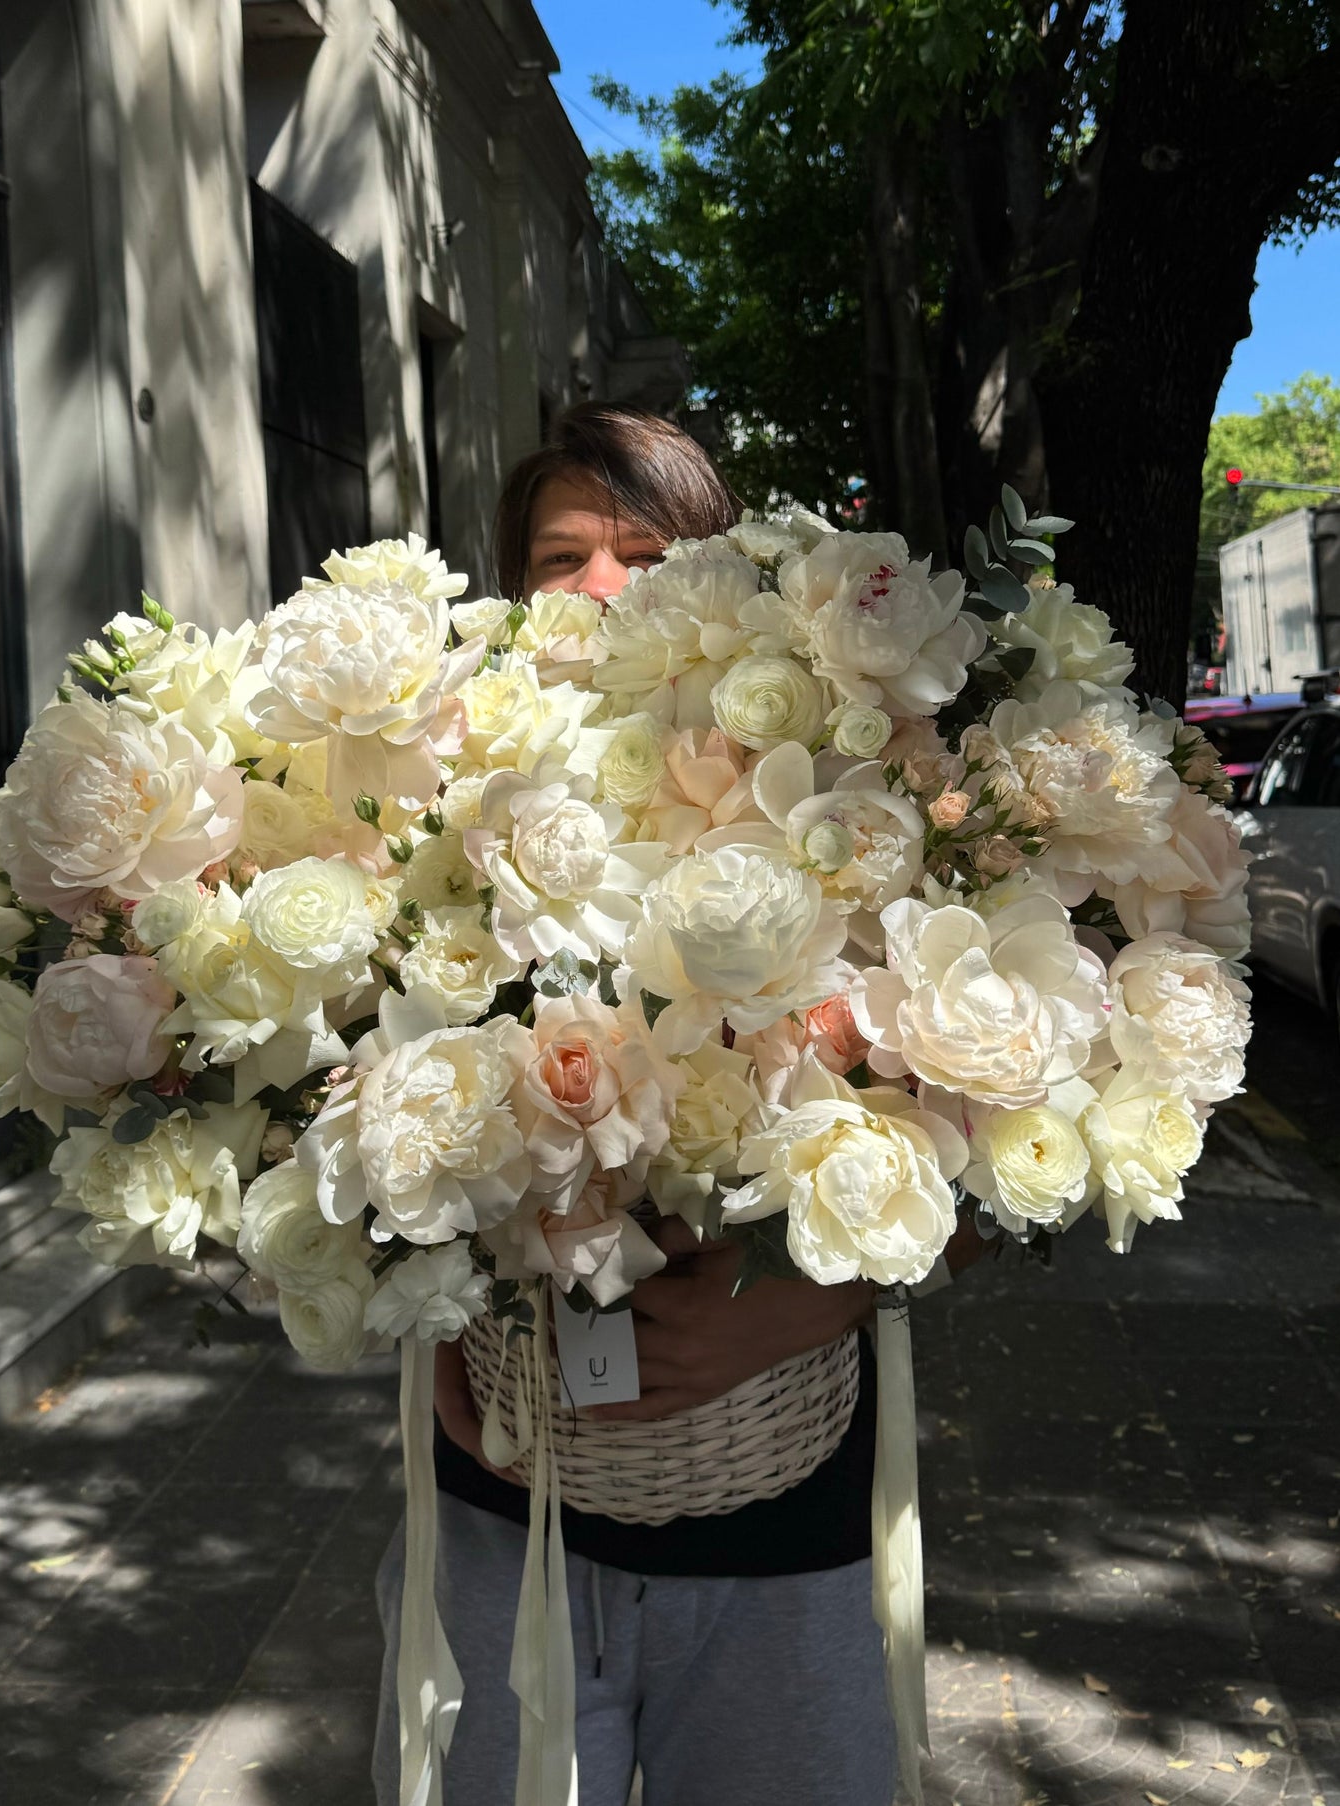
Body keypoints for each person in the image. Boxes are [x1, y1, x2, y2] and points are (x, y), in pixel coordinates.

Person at [373, 404, 976, 1806]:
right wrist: (429, 1294)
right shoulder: (437, 790)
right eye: (557, 553)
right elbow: (375, 1093)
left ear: (715, 581)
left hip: (783, 1514)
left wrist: (813, 1298)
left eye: (640, 552)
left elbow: (980, 1142)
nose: (596, 585)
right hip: (501, 1502)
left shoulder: (840, 788)